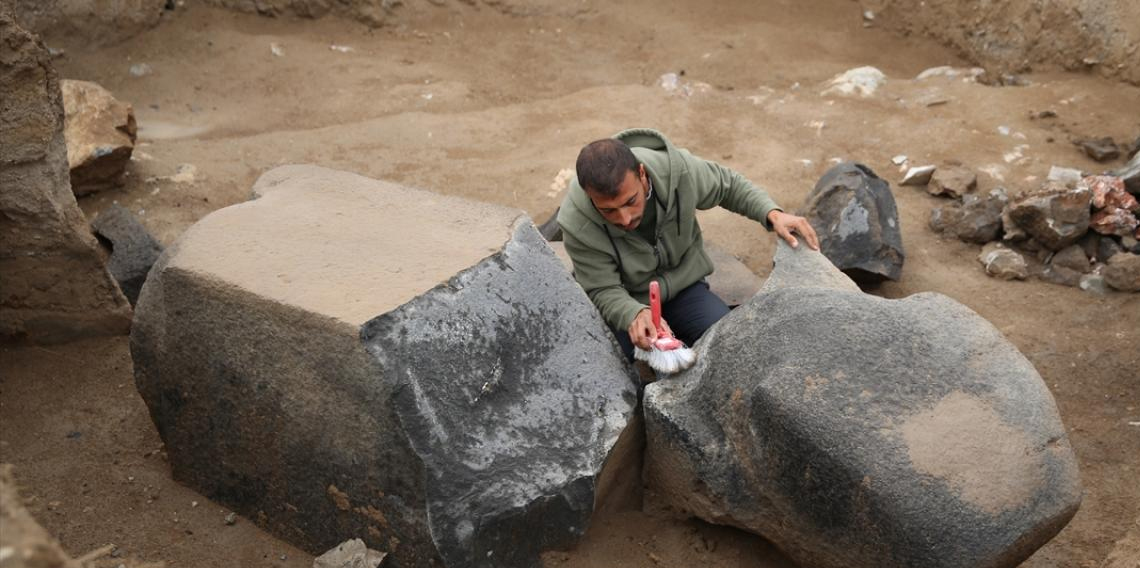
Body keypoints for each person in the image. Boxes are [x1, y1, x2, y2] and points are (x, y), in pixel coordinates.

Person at [556, 128, 819, 360]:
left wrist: (772, 213)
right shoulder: (576, 220)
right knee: (607, 364)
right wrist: (632, 314)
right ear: (590, 198)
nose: (624, 218)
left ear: (642, 173)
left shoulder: (677, 171)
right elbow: (603, 288)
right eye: (609, 211)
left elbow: (728, 186)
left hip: (684, 289)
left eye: (630, 201)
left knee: (728, 344)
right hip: (628, 299)